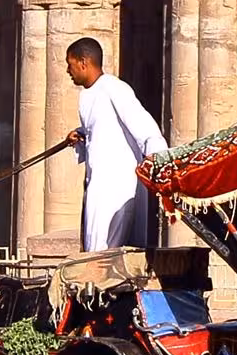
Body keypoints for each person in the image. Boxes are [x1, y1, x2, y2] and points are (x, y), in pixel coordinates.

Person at [65, 37, 169, 252]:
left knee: (102, 250)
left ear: (83, 62)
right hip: (100, 181)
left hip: (116, 184)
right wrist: (81, 133)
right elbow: (103, 128)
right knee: (98, 247)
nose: (68, 70)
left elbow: (144, 126)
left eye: (70, 63)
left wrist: (160, 163)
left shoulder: (115, 88)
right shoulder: (89, 94)